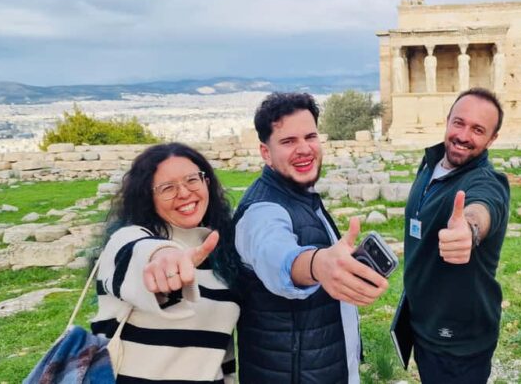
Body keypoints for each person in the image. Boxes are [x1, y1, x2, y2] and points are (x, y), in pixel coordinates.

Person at [233, 92, 388, 383]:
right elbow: (275, 254)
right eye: (288, 141)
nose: (304, 149)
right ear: (265, 153)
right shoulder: (261, 211)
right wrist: (319, 265)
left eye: (310, 136)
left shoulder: (300, 196)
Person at [92, 143, 241, 383]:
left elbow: (221, 351)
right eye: (167, 188)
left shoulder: (220, 254)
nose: (184, 193)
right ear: (148, 198)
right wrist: (163, 257)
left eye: (192, 180)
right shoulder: (127, 240)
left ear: (207, 183)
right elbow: (139, 254)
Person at [402, 87, 511, 384]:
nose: (463, 136)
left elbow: (484, 208)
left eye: (478, 130)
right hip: (423, 324)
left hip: (459, 341)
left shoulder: (487, 181)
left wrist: (469, 230)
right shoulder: (430, 163)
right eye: (459, 123)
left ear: (492, 139)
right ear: (448, 120)